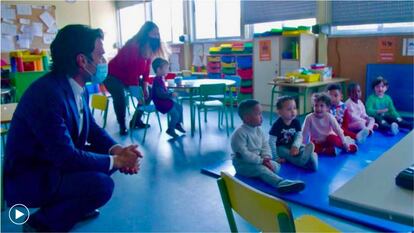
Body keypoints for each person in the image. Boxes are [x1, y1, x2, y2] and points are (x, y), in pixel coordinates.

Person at [4, 24, 143, 232]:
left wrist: (118, 151)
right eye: (99, 55)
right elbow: (66, 157)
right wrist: (117, 160)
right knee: (101, 185)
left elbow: (93, 130)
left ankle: (73, 208)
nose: (103, 61)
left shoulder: (75, 86)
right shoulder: (47, 94)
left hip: (52, 162)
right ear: (82, 61)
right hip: (31, 176)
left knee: (107, 162)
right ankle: (40, 224)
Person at [104, 21, 167, 135]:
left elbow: (147, 68)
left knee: (150, 91)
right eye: (153, 34)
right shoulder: (133, 46)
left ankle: (136, 121)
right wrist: (138, 93)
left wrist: (145, 85)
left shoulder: (150, 49)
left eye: (158, 34)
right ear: (145, 34)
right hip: (112, 76)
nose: (156, 36)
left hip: (129, 76)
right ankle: (122, 125)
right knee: (120, 96)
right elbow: (131, 71)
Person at [231, 99, 305, 193]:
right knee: (261, 169)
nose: (262, 117)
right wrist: (262, 161)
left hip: (258, 160)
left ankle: (262, 174)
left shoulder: (258, 130)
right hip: (242, 164)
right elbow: (244, 154)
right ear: (247, 118)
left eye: (261, 113)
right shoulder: (239, 134)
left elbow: (265, 145)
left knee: (276, 166)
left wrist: (267, 158)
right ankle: (281, 183)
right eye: (258, 114)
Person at [269, 96, 317, 171]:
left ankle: (312, 159)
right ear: (279, 112)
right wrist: (275, 158)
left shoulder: (296, 122)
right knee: (287, 153)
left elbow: (299, 136)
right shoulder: (277, 125)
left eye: (294, 108)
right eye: (289, 109)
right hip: (281, 147)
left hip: (292, 145)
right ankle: (305, 161)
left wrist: (296, 146)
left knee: (303, 148)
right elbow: (271, 142)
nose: (293, 111)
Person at [151, 58, 185, 138]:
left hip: (165, 101)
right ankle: (170, 129)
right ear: (159, 69)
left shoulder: (160, 78)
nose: (168, 70)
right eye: (166, 68)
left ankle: (177, 124)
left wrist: (169, 92)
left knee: (179, 107)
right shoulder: (157, 80)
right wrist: (171, 94)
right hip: (161, 103)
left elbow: (163, 91)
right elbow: (160, 94)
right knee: (175, 114)